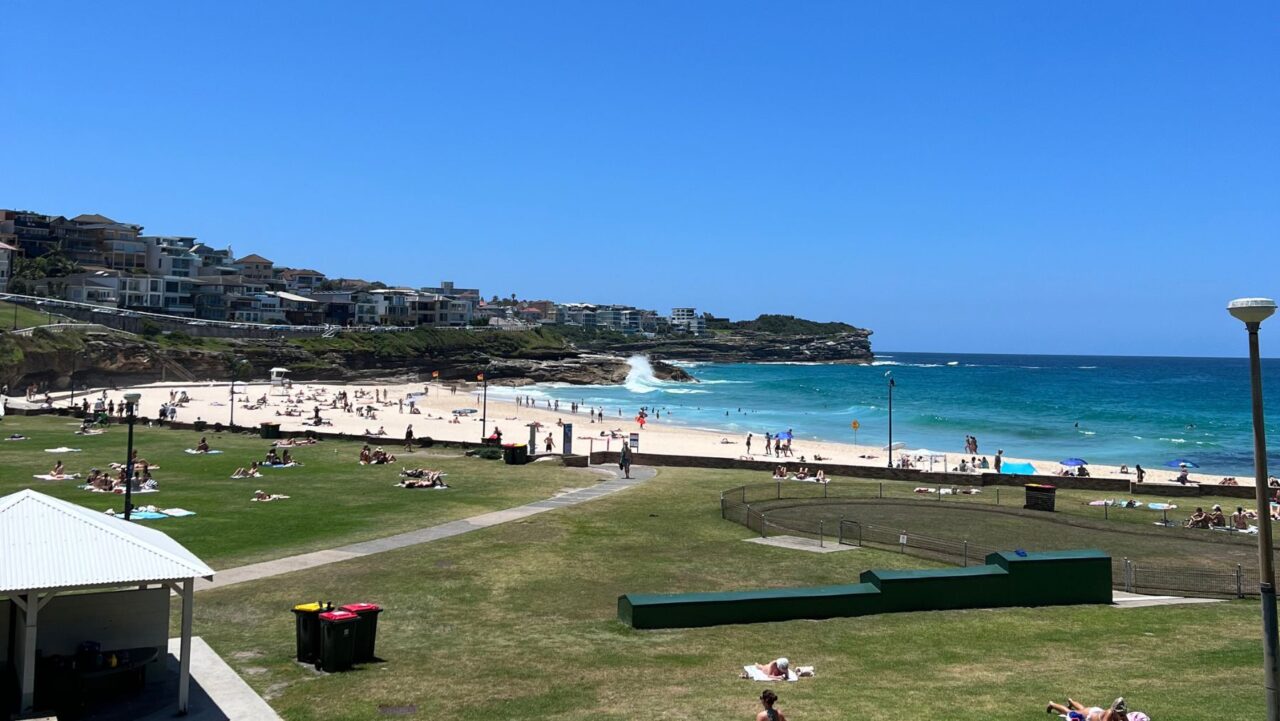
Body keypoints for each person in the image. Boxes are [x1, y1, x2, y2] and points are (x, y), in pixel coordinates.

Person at [1045, 696, 1128, 721]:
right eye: (1120, 714)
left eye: (1122, 714)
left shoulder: (1122, 714)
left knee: (1082, 709)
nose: (1122, 716)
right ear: (1114, 711)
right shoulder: (1109, 713)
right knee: (1069, 713)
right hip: (1089, 715)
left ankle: (1071, 702)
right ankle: (1052, 704)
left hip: (1096, 712)